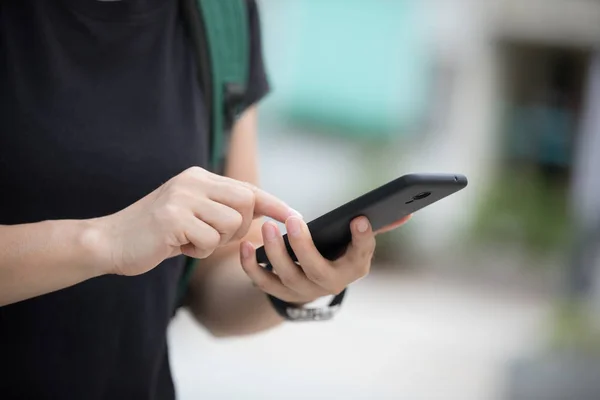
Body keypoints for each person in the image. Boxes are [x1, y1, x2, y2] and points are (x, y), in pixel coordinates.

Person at [0, 1, 409, 398]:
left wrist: (293, 282)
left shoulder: (222, 13)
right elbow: (121, 239)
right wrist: (105, 241)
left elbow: (217, 275)